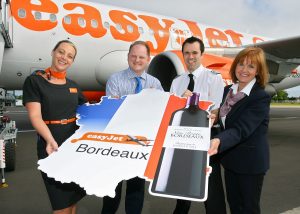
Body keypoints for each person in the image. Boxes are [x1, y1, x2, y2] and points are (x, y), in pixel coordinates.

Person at [23, 40, 86, 214]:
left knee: (73, 201)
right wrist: (50, 140)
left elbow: (88, 111)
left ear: (72, 61)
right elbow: (35, 116)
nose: (64, 57)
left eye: (69, 56)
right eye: (61, 52)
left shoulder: (73, 86)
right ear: (52, 52)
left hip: (73, 147)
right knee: (61, 206)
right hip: (51, 147)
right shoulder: (34, 81)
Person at [103, 40, 163, 214]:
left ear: (148, 59)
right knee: (111, 190)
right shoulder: (115, 80)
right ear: (128, 57)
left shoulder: (155, 84)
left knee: (136, 191)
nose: (137, 60)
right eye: (133, 56)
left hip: (141, 144)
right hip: (117, 143)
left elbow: (157, 113)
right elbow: (113, 111)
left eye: (141, 57)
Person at [209, 47, 271, 214]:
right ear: (235, 66)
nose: (244, 70)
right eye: (241, 64)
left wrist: (219, 140)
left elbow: (242, 129)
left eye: (251, 66)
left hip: (250, 163)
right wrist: (212, 116)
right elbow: (223, 117)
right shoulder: (227, 91)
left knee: (248, 208)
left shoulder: (260, 97)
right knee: (235, 205)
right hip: (230, 160)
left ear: (258, 71)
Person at [170, 36, 226, 214]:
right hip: (182, 140)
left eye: (194, 52)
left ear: (201, 54)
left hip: (206, 140)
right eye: (186, 53)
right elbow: (171, 114)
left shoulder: (214, 79)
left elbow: (216, 114)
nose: (190, 57)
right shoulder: (176, 82)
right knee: (183, 190)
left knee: (212, 193)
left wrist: (194, 106)